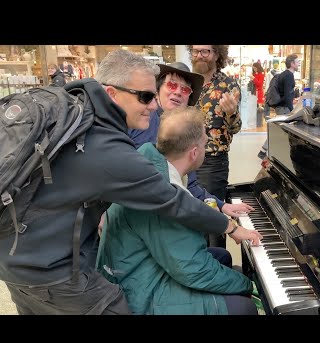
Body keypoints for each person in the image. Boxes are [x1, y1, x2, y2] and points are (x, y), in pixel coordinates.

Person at [1, 49, 257, 315]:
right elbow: (169, 198)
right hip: (51, 271)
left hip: (17, 257)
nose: (154, 105)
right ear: (112, 94)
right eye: (146, 97)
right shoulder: (105, 146)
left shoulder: (78, 116)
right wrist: (229, 227)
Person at [97, 107, 260, 315]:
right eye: (204, 144)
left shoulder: (151, 163)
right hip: (136, 290)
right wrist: (249, 285)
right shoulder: (161, 194)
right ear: (194, 152)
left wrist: (229, 227)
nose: (205, 149)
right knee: (243, 307)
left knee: (222, 256)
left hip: (132, 265)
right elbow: (192, 270)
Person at [127, 61, 252, 219]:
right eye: (172, 85)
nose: (178, 92)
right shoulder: (141, 119)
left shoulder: (184, 130)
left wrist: (222, 205)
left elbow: (190, 186)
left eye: (185, 89)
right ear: (158, 90)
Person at [186, 45, 242, 248]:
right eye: (195, 51)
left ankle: (219, 263)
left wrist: (231, 113)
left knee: (214, 216)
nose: (199, 55)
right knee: (189, 215)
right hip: (184, 158)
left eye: (205, 51)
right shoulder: (187, 82)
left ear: (217, 54)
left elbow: (235, 128)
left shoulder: (228, 85)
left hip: (212, 162)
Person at [258, 54, 300, 160]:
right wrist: (292, 111)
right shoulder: (289, 75)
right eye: (297, 61)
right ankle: (267, 151)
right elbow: (286, 95)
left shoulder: (284, 74)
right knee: (285, 130)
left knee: (281, 129)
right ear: (292, 63)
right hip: (284, 107)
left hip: (280, 106)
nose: (299, 63)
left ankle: (263, 150)